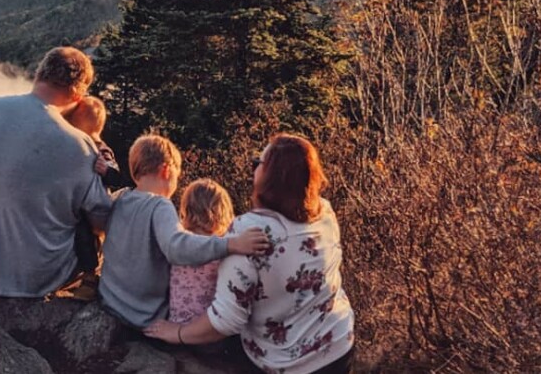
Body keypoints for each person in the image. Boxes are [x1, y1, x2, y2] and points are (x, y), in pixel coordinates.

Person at [144, 134, 355, 374]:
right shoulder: (325, 212)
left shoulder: (249, 232)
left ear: (272, 177)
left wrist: (177, 333)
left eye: (259, 162)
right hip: (339, 343)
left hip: (287, 364)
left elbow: (226, 321)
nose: (253, 166)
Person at [0, 47, 112, 297]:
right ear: (78, 94)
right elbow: (101, 218)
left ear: (38, 75)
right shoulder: (77, 144)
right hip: (45, 276)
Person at [98, 134, 269, 328]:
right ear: (166, 170)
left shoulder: (121, 198)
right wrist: (231, 244)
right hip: (143, 316)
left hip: (110, 303)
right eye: (177, 176)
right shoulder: (159, 205)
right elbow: (176, 246)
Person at [168, 179, 235, 325]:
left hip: (177, 323)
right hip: (208, 331)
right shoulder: (222, 248)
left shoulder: (179, 243)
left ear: (186, 208)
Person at [65, 95, 128, 188]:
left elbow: (117, 179)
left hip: (96, 198)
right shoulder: (74, 147)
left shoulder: (102, 151)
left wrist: (106, 170)